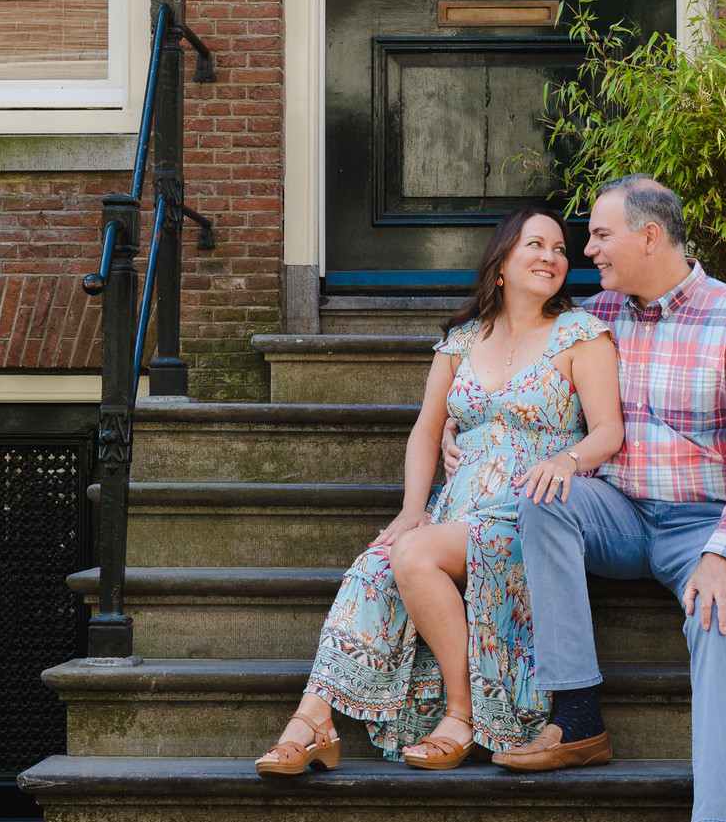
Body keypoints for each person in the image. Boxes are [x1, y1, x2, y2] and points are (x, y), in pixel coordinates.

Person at [444, 176, 726, 822]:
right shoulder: (591, 318)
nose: (587, 250)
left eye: (600, 237)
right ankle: (577, 716)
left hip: (703, 525)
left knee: (717, 621)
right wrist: (456, 428)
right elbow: (512, 372)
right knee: (541, 497)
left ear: (649, 238)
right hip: (619, 511)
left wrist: (725, 552)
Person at [254, 209, 623, 775]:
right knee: (377, 564)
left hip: (526, 515)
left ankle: (461, 713)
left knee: (414, 553)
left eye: (560, 248)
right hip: (457, 509)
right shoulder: (462, 340)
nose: (552, 255)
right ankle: (312, 722)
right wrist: (410, 510)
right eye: (536, 244)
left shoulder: (580, 335)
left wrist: (564, 458)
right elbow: (427, 429)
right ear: (501, 262)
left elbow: (608, 431)